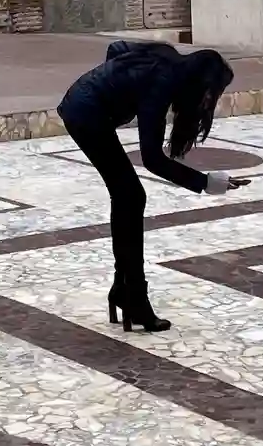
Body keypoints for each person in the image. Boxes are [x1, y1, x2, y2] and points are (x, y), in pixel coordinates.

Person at [57, 39, 248, 333]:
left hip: (86, 105)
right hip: (85, 114)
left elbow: (117, 48)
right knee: (131, 195)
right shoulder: (160, 85)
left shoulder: (166, 60)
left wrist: (115, 85)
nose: (211, 101)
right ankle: (132, 295)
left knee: (129, 196)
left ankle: (126, 290)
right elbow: (152, 159)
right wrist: (207, 183)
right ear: (200, 84)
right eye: (212, 93)